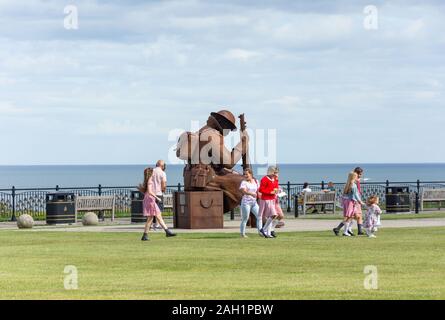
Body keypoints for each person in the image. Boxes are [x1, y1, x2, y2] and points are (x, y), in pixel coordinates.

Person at [139, 167, 176, 241]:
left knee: (155, 217)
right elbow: (149, 191)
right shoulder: (150, 180)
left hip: (149, 199)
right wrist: (157, 197)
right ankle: (166, 232)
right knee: (154, 217)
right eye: (152, 172)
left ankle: (166, 232)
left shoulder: (148, 180)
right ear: (150, 173)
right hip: (150, 200)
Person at [332, 172, 364, 236]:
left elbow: (344, 195)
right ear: (354, 177)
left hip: (346, 202)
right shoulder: (353, 185)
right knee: (348, 217)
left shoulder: (347, 184)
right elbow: (356, 194)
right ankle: (344, 231)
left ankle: (344, 231)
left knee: (349, 217)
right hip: (351, 202)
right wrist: (360, 201)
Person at [258, 166, 280, 238]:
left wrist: (276, 190)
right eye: (274, 173)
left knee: (273, 215)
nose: (275, 174)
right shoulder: (264, 179)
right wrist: (270, 192)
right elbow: (261, 190)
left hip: (272, 199)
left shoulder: (274, 179)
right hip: (266, 199)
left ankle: (264, 230)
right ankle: (264, 230)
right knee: (273, 215)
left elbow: (276, 187)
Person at [239, 168, 261, 238]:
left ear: (251, 174)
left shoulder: (256, 181)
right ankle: (243, 234)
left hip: (254, 203)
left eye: (247, 174)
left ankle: (260, 232)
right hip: (246, 203)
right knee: (245, 218)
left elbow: (259, 190)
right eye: (244, 174)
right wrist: (251, 194)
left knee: (259, 217)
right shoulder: (243, 182)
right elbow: (243, 191)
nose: (245, 175)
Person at [150, 160, 167, 231]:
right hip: (158, 193)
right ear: (162, 166)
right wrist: (163, 190)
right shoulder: (162, 173)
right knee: (158, 210)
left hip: (151, 193)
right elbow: (163, 184)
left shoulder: (151, 171)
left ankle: (150, 225)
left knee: (151, 210)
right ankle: (156, 225)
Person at [351, 167, 365, 235]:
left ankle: (360, 230)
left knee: (359, 215)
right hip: (356, 200)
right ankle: (341, 228)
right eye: (360, 174)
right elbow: (355, 192)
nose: (360, 175)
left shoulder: (356, 180)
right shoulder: (354, 181)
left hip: (357, 198)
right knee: (354, 216)